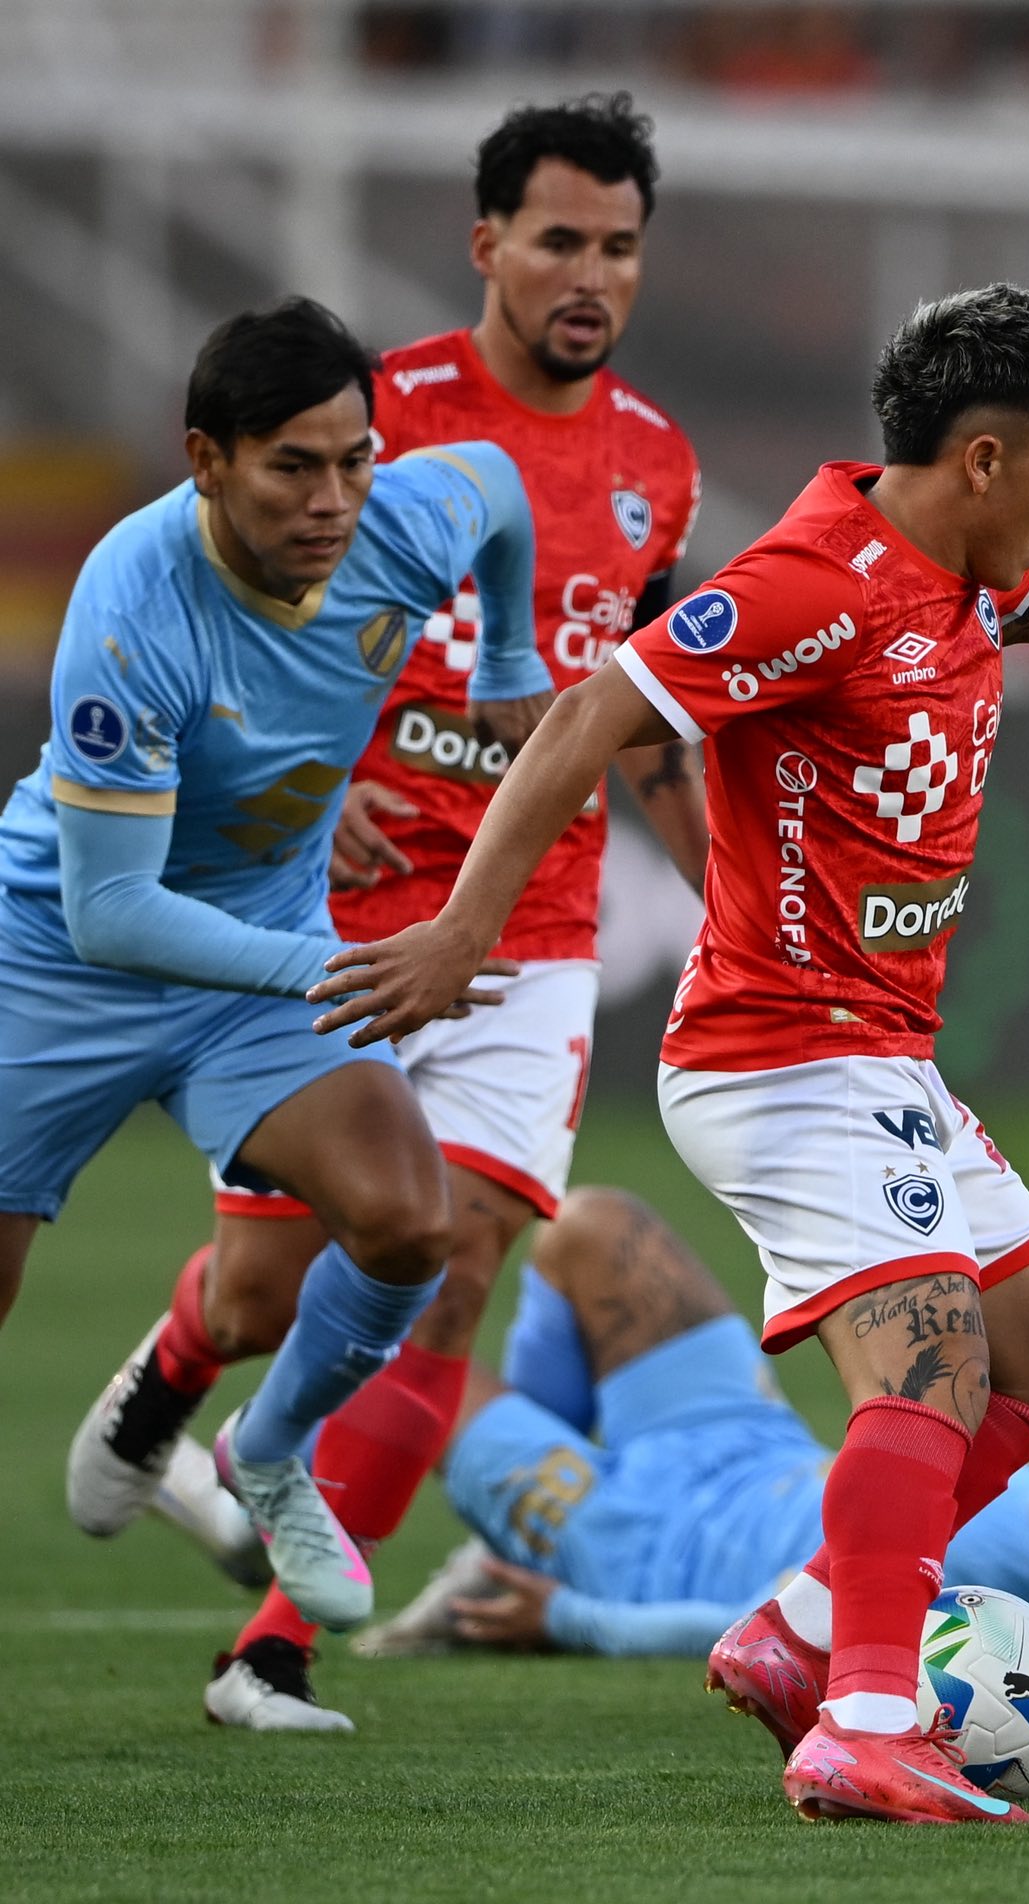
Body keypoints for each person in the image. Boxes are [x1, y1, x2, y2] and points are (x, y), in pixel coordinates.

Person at [307, 282, 1029, 1824]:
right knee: (931, 1359)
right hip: (778, 1054)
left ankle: (803, 1628)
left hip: (882, 1055)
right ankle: (868, 1718)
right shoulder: (811, 583)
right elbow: (587, 714)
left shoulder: (967, 564)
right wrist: (468, 930)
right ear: (985, 461)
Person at [63, 95, 706, 1734]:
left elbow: (628, 707)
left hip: (526, 928)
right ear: (486, 242)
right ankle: (163, 1393)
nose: (588, 272)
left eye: (617, 245)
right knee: (269, 1290)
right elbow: (202, 596)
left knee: (455, 1260)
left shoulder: (655, 464)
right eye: (557, 237)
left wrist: (730, 890)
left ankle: (269, 1646)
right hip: (330, 903)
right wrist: (279, 781)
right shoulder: (377, 414)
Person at [0, 295, 551, 1639]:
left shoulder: (401, 525)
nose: (336, 496)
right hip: (55, 965)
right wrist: (338, 966)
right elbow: (115, 913)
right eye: (293, 465)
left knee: (408, 1221)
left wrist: (513, 648)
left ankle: (269, 1450)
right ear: (208, 461)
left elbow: (497, 485)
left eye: (355, 458)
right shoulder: (133, 614)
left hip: (258, 951)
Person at [149, 1188, 1029, 1732]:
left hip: (634, 1538)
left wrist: (571, 1619)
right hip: (739, 1438)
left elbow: (792, 1621)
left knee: (400, 1342)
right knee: (591, 1225)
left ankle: (212, 1434)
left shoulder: (1000, 1612)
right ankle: (454, 1507)